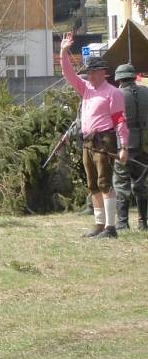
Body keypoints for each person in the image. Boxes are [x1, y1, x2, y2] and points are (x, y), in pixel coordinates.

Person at [60, 33, 129, 239]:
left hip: (104, 139)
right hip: (88, 140)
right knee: (92, 183)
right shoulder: (86, 88)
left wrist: (123, 147)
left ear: (101, 72)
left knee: (104, 182)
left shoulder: (113, 93)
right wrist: (63, 51)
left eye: (91, 72)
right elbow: (68, 74)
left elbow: (120, 121)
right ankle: (99, 224)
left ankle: (110, 227)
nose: (87, 76)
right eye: (87, 72)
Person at [112, 64, 148, 230]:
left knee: (121, 184)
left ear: (119, 79)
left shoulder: (117, 94)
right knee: (141, 184)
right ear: (134, 77)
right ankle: (143, 222)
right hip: (144, 145)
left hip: (124, 145)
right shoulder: (146, 92)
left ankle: (122, 223)